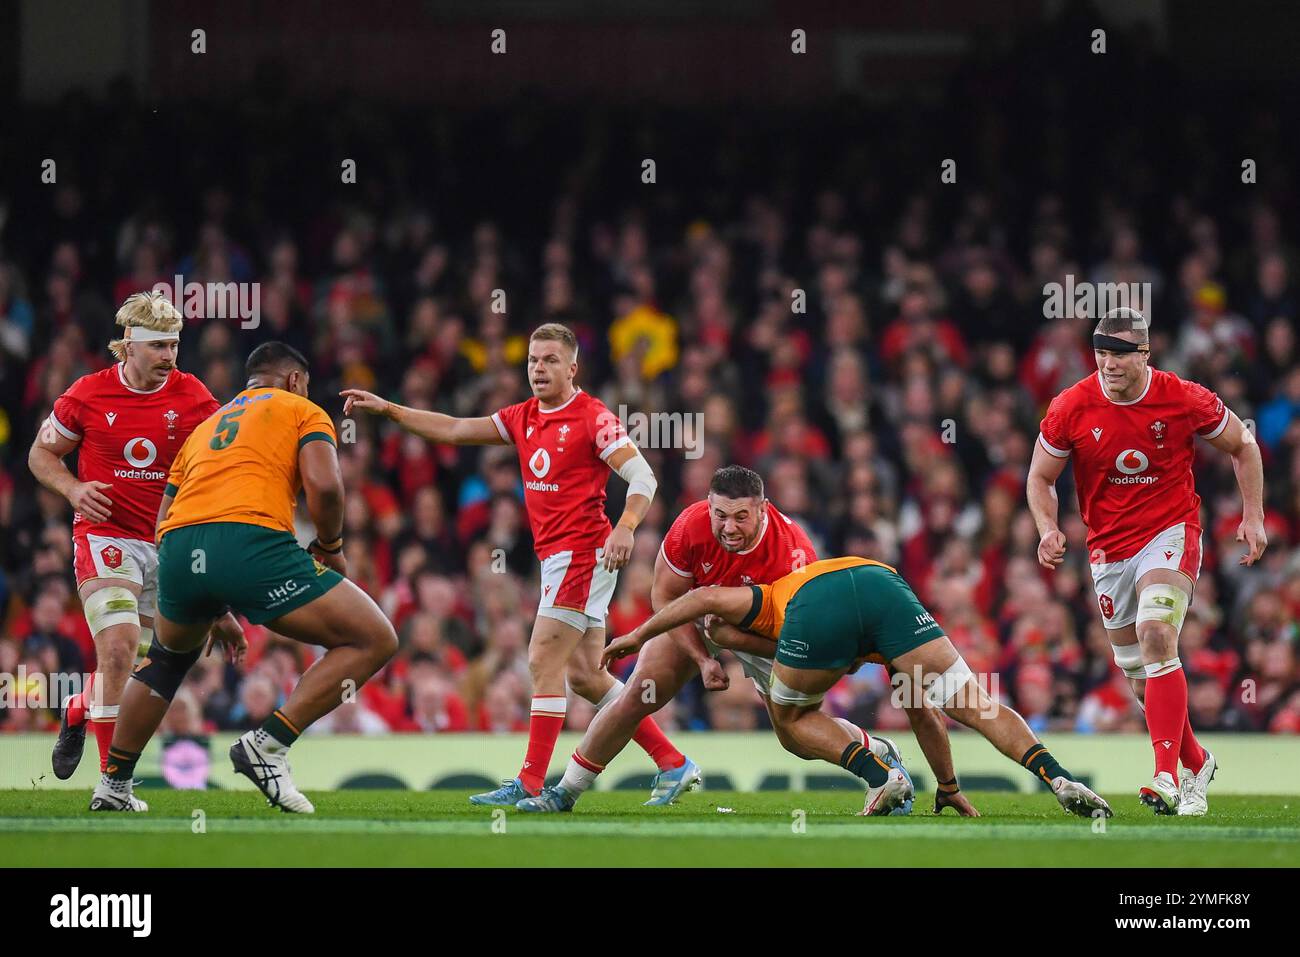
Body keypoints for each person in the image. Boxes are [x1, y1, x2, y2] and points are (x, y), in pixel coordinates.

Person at [342, 322, 687, 805]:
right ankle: (673, 762)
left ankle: (528, 781)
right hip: (558, 559)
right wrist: (389, 410)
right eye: (532, 360)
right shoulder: (523, 417)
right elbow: (457, 429)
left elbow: (642, 476)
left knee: (541, 659)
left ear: (573, 367)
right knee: (587, 676)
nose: (539, 369)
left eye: (549, 360)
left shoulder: (592, 416)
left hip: (583, 553)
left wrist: (626, 527)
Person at [519, 465, 979, 816]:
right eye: (720, 515)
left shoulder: (794, 555)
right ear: (708, 506)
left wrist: (733, 640)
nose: (728, 527)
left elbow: (804, 645)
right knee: (640, 693)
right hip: (700, 618)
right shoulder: (690, 526)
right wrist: (702, 658)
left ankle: (875, 749)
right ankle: (565, 792)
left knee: (794, 734)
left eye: (741, 517)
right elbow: (665, 597)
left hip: (773, 634)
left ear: (763, 510)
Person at [89, 342, 397, 813]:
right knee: (374, 638)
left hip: (176, 547)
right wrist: (330, 547)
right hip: (250, 540)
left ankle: (112, 786)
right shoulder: (302, 409)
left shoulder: (206, 427)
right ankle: (268, 745)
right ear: (295, 381)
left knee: (167, 662)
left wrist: (212, 603)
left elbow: (164, 516)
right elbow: (326, 486)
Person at [601, 556, 1112, 818]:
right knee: (975, 705)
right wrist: (949, 787)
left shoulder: (770, 599)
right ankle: (1059, 776)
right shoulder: (782, 602)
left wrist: (637, 634)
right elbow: (924, 713)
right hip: (883, 583)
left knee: (791, 721)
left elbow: (703, 598)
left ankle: (878, 774)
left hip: (820, 602)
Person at [1027, 307, 1267, 815]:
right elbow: (1040, 477)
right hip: (1108, 548)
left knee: (1158, 635)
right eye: (1100, 354)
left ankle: (1164, 776)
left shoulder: (1182, 397)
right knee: (1142, 678)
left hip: (1170, 531)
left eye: (1118, 355)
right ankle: (1197, 761)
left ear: (1145, 354)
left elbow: (1243, 446)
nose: (1108, 365)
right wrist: (1047, 528)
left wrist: (1253, 515)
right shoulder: (1071, 405)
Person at [28, 291, 221, 793]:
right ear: (128, 345)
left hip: (168, 544)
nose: (169, 357)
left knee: (160, 659)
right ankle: (113, 786)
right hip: (106, 538)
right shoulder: (87, 395)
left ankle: (79, 706)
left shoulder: (194, 397)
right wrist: (72, 488)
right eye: (159, 346)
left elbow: (222, 459)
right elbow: (41, 455)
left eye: (175, 345)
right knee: (116, 649)